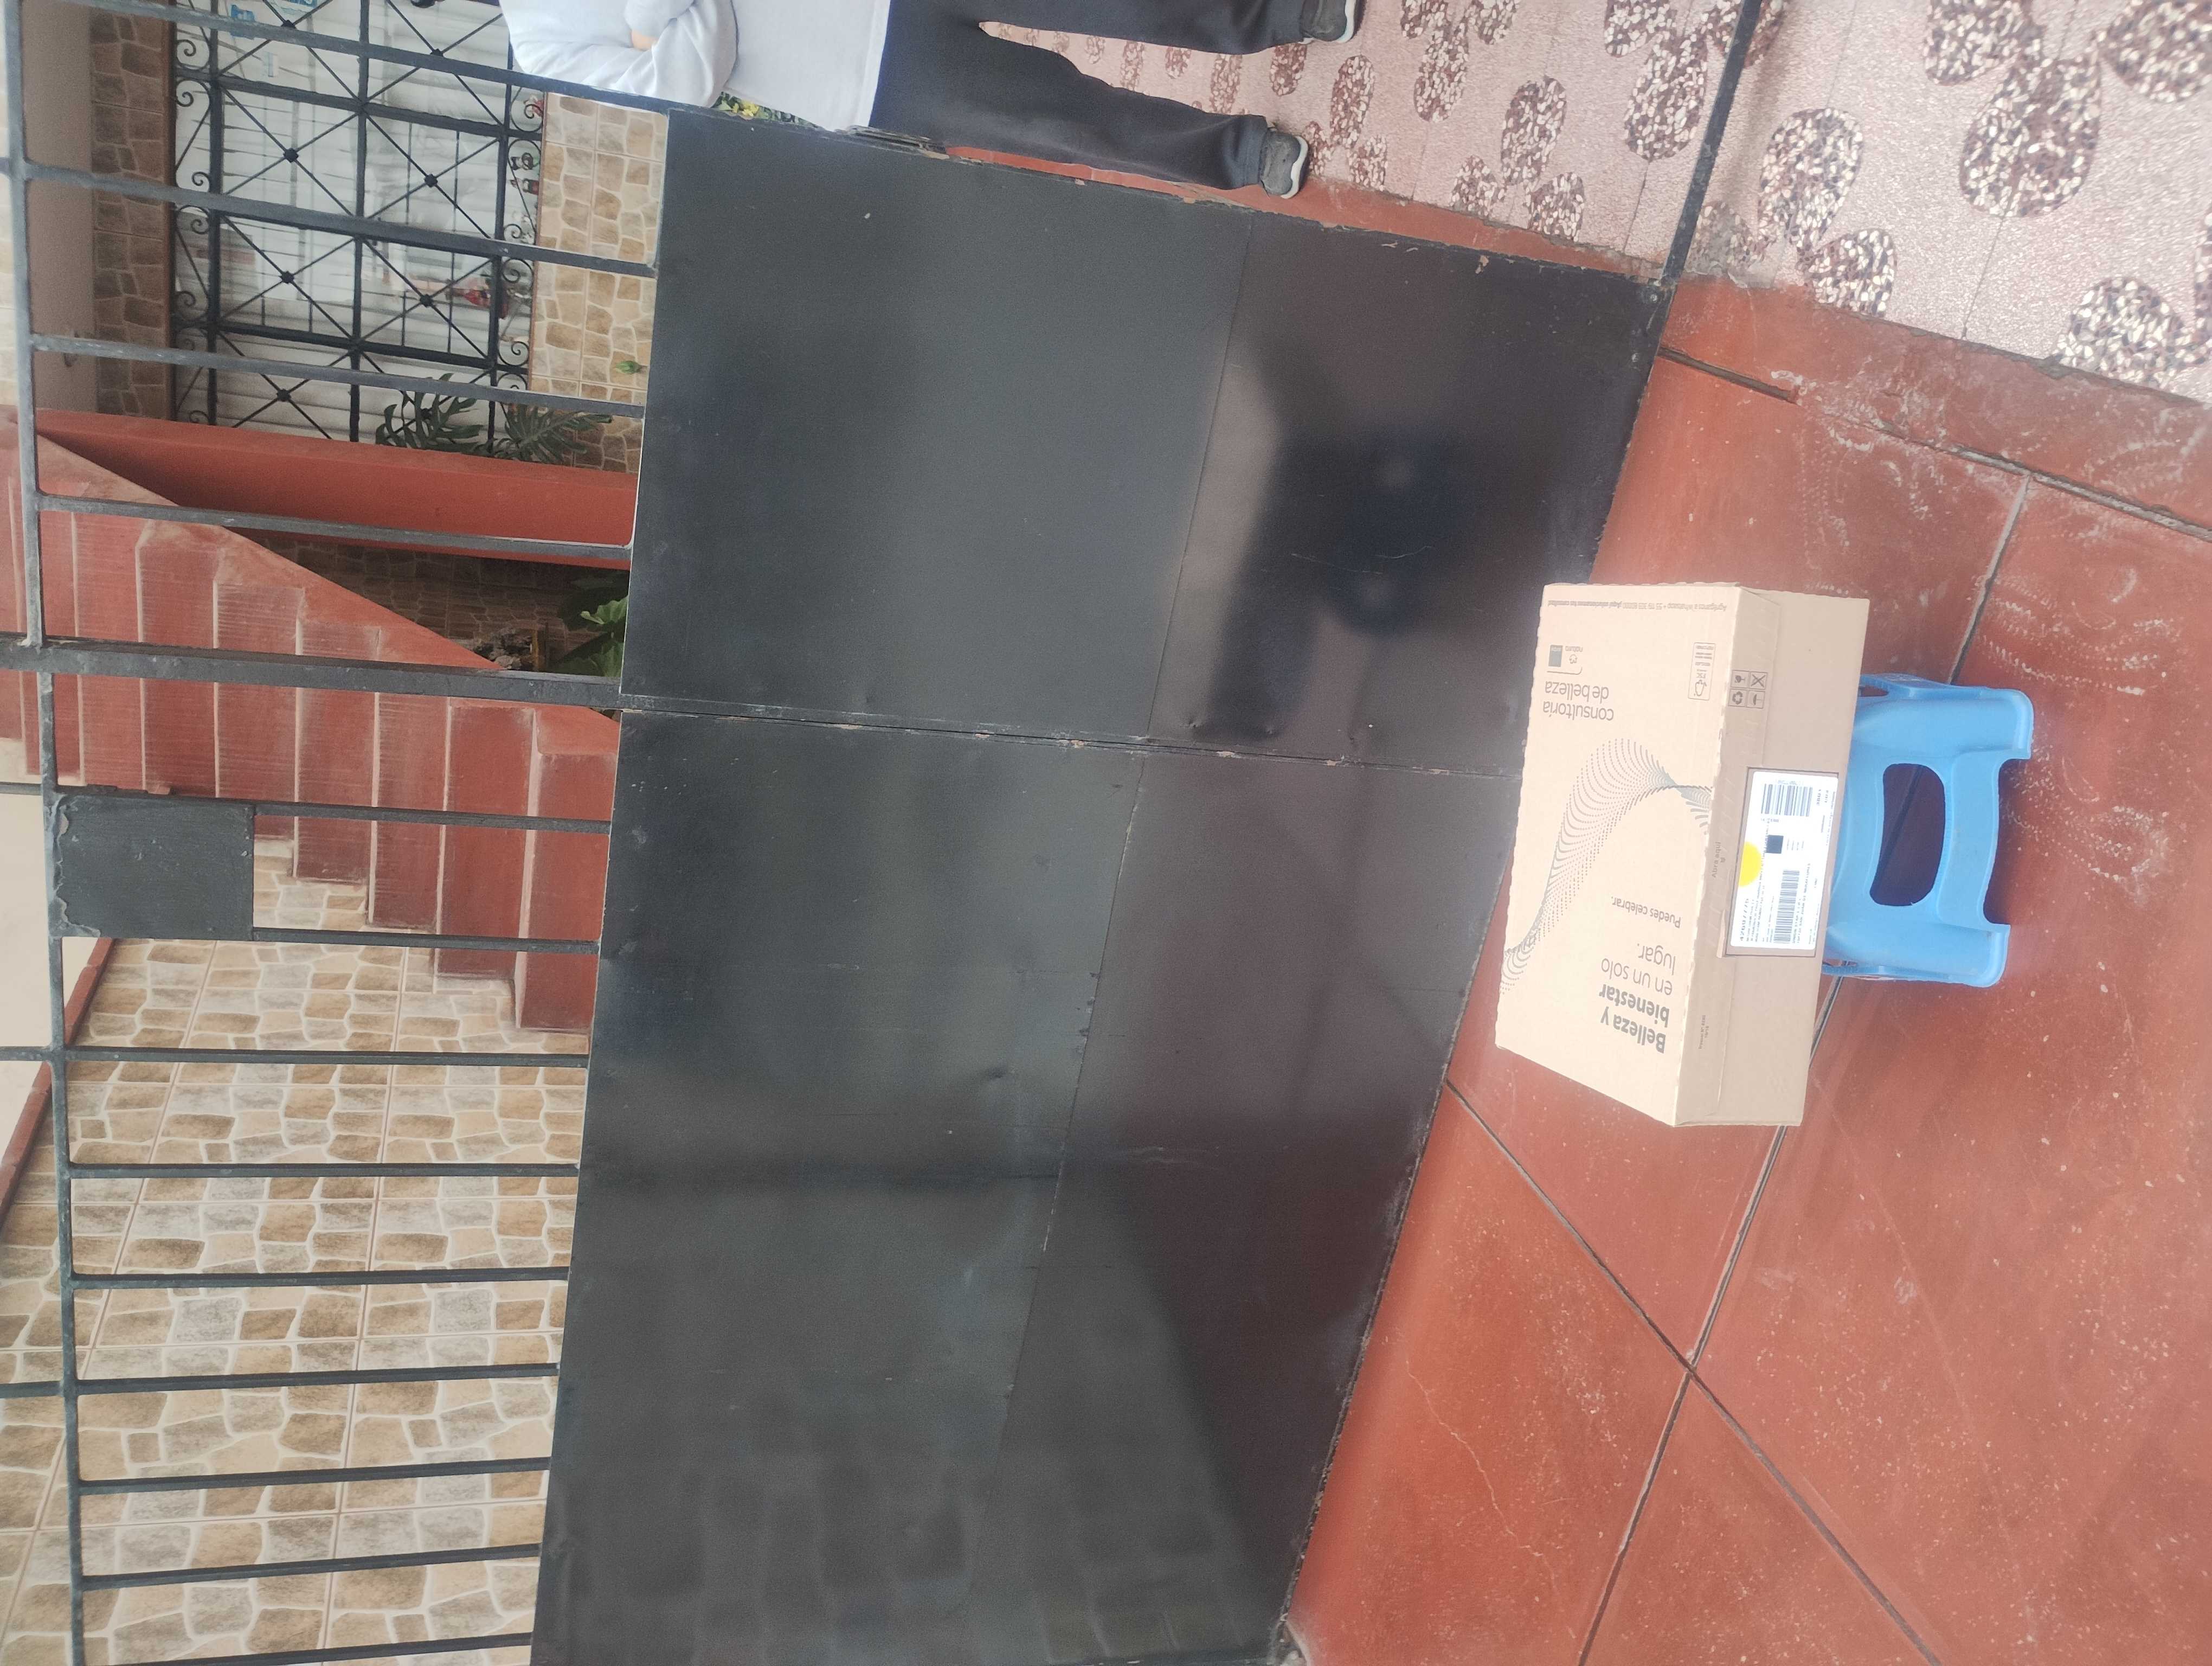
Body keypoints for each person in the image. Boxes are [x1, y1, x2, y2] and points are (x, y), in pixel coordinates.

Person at [500, 0, 1361, 197]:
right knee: (1070, 124)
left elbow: (684, 57)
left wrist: (662, 23)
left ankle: (1283, 9)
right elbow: (679, 86)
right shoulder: (540, 45)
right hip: (864, 76)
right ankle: (1240, 154)